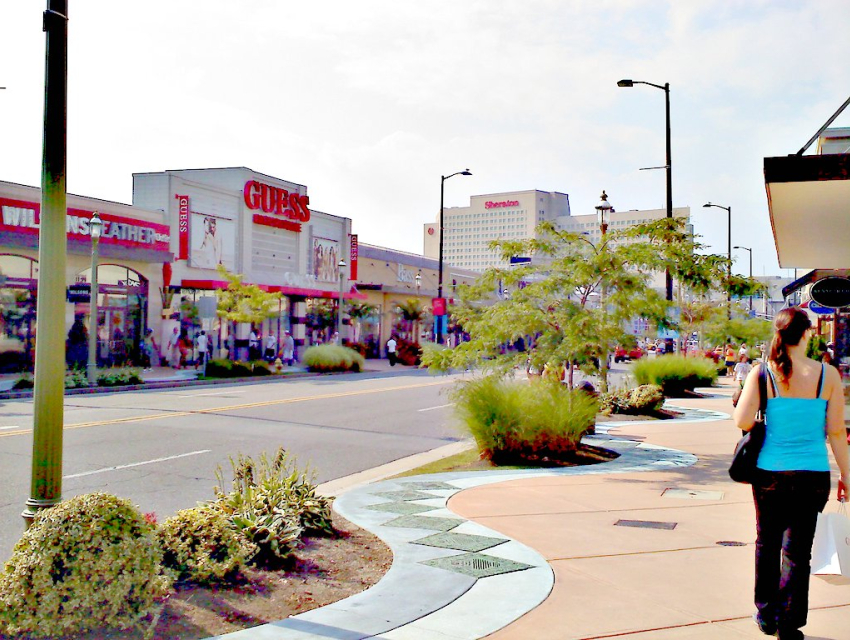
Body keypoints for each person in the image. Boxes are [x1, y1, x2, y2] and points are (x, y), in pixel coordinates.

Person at [733, 307, 849, 640]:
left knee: (767, 543)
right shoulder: (828, 375)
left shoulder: (763, 373)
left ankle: (766, 614)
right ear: (808, 333)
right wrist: (847, 474)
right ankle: (788, 624)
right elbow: (836, 431)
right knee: (798, 552)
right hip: (812, 474)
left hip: (770, 472)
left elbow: (742, 420)